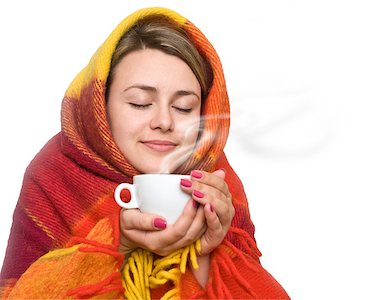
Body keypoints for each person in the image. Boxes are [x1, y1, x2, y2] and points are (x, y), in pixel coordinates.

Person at [0, 7, 289, 299]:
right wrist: (116, 243)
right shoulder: (54, 176)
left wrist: (205, 255)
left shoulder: (215, 183)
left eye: (183, 107)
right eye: (140, 103)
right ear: (100, 105)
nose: (164, 121)